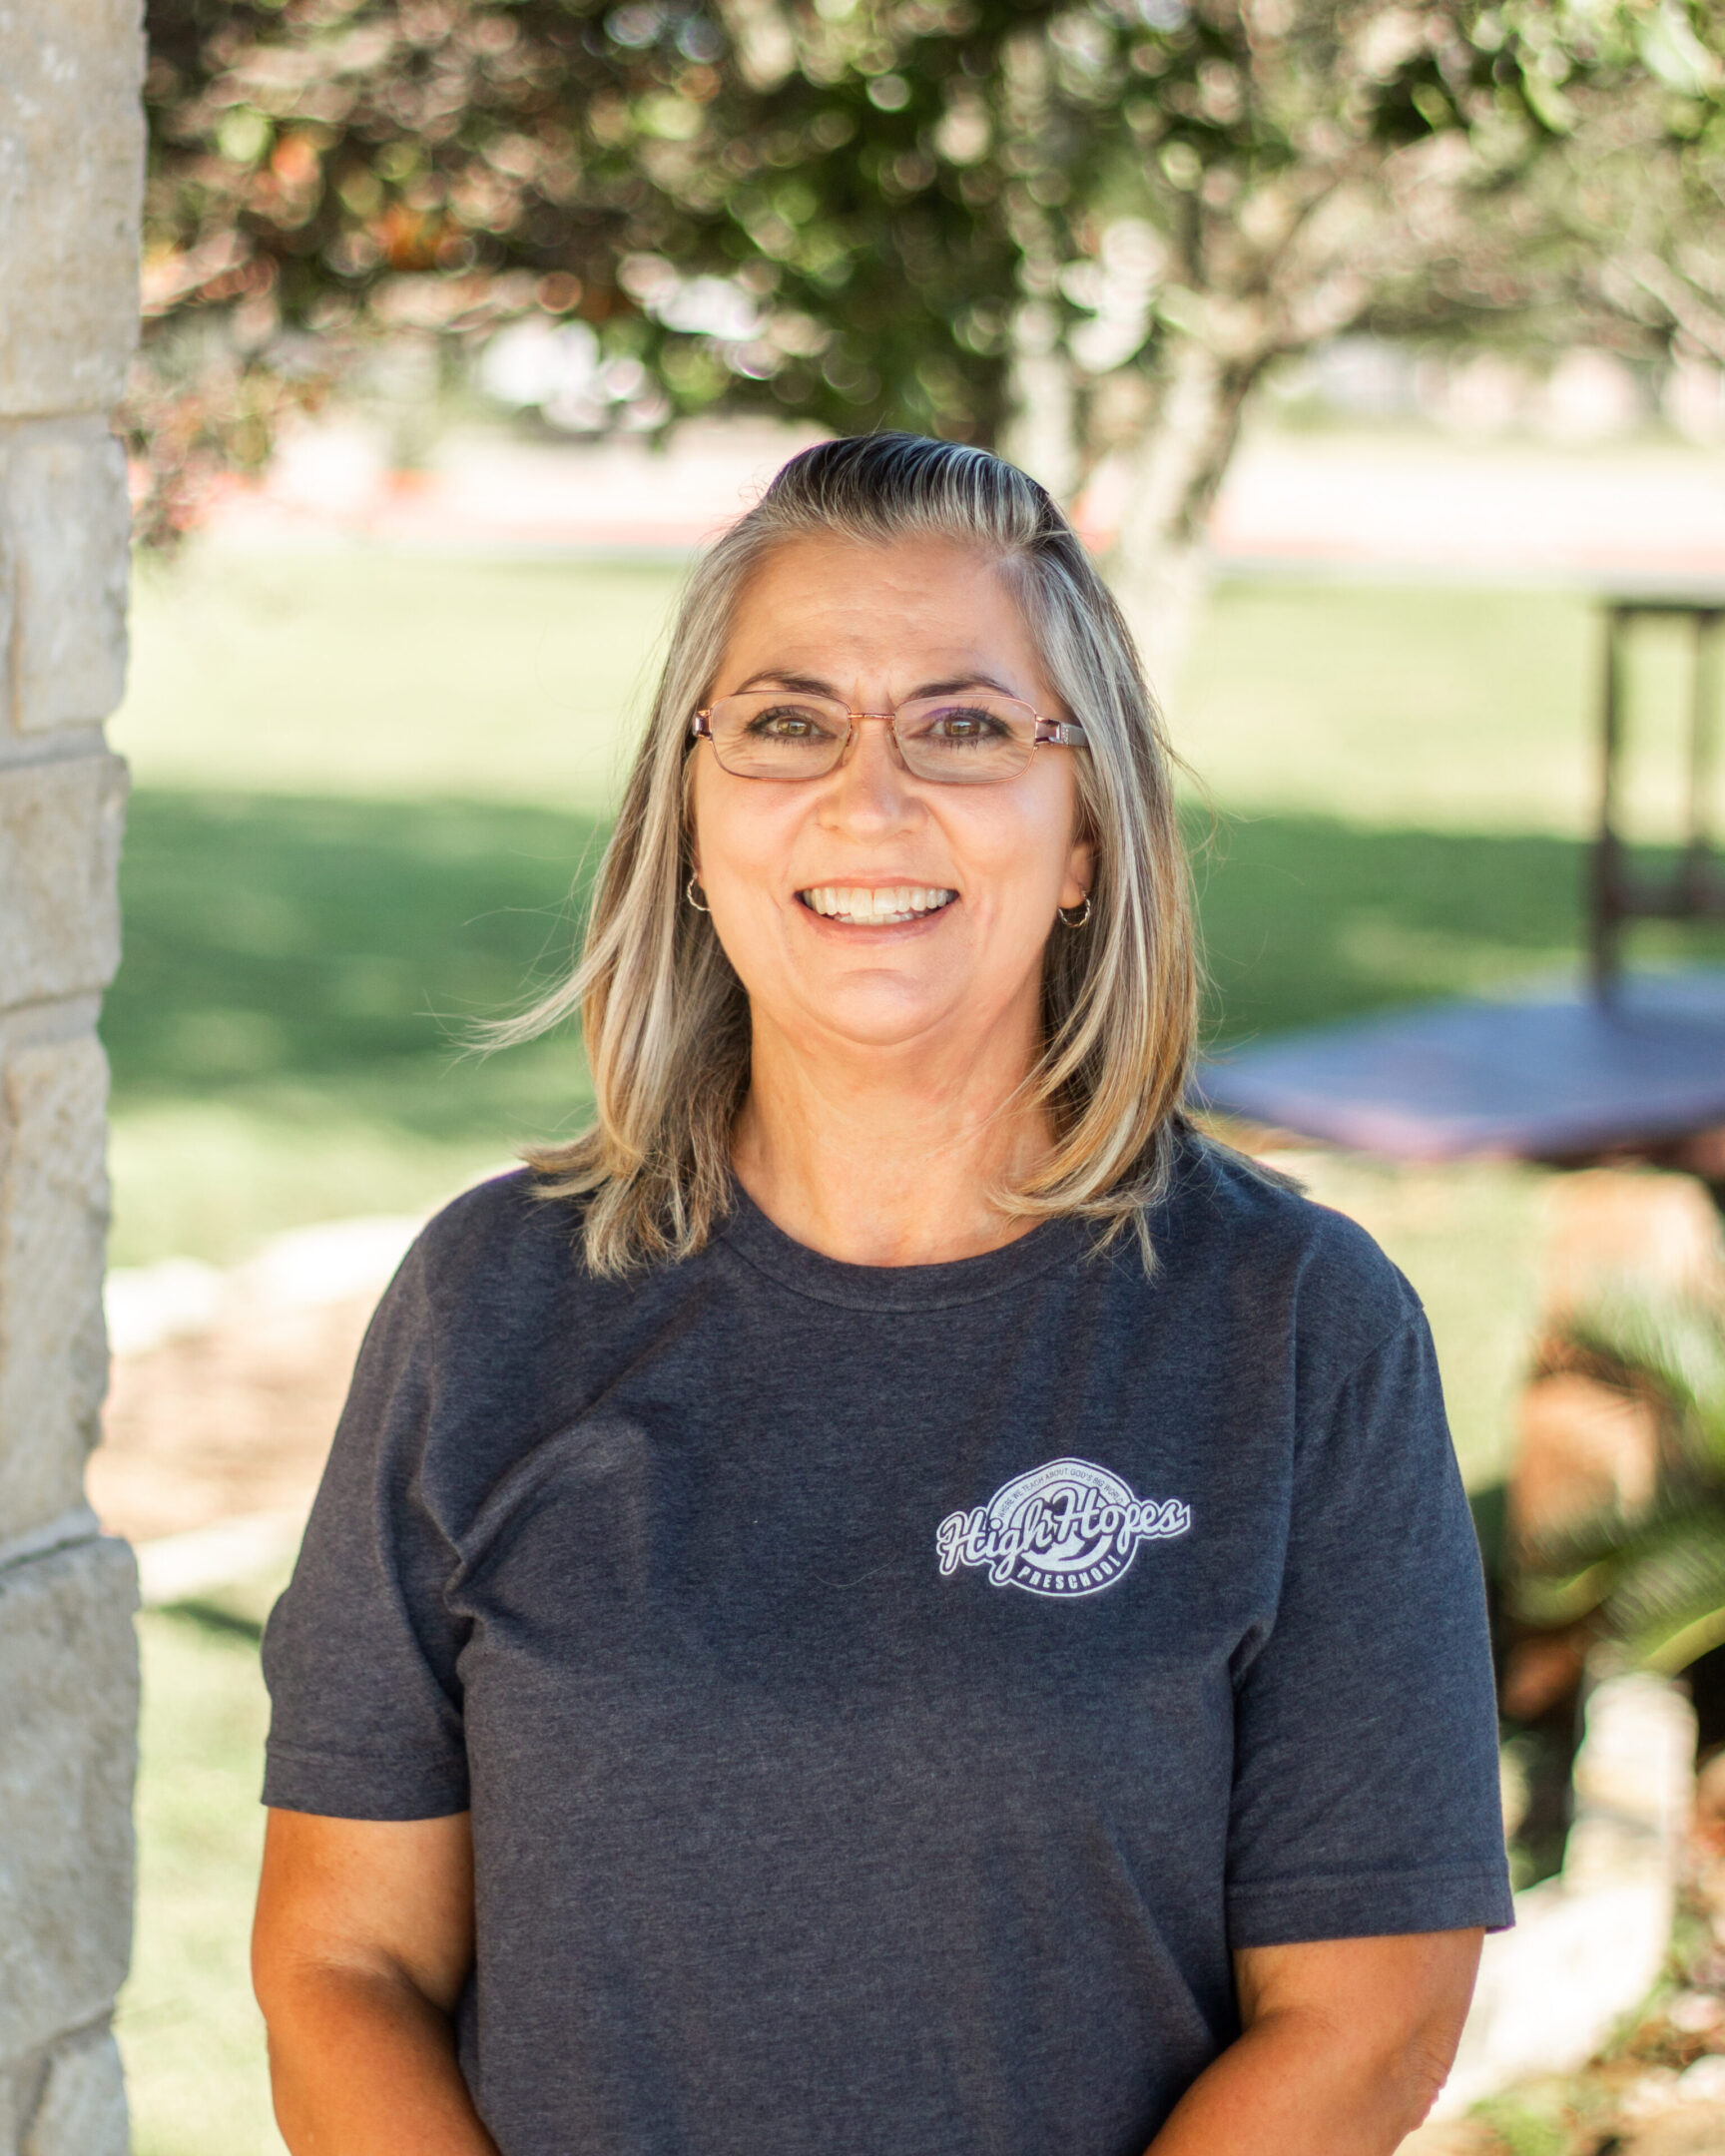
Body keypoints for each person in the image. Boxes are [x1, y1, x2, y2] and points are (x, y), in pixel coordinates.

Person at [252, 432, 1512, 2156]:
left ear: (1086, 836)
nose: (868, 798)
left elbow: (1370, 2017)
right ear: (692, 820)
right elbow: (340, 1959)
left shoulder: (1293, 1328)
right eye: (786, 723)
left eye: (965, 725)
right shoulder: (492, 1304)